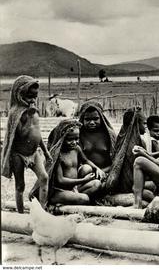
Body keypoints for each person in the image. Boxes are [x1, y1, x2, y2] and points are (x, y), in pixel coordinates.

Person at [1, 75, 52, 213]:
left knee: (44, 178)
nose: (33, 100)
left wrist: (46, 152)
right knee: (20, 185)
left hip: (34, 153)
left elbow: (37, 134)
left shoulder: (33, 111)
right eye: (29, 97)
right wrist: (28, 116)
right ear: (19, 95)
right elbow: (21, 134)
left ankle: (42, 211)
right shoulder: (15, 113)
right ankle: (21, 213)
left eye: (35, 97)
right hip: (18, 154)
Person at [31, 119, 103, 205]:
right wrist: (83, 180)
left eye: (77, 139)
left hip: (73, 187)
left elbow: (86, 160)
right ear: (62, 138)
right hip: (58, 191)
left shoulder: (76, 149)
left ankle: (72, 198)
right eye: (70, 139)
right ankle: (59, 200)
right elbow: (60, 180)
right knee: (85, 199)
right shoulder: (57, 155)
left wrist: (97, 168)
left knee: (97, 184)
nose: (74, 142)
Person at [104, 108, 157, 206]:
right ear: (136, 125)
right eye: (144, 124)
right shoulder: (133, 145)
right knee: (150, 194)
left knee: (150, 194)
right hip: (129, 186)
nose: (146, 127)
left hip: (132, 185)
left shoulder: (123, 137)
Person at [78, 101, 116, 174]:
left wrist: (103, 172)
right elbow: (78, 160)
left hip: (107, 172)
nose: (92, 122)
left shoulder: (109, 135)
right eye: (87, 119)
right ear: (82, 119)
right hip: (86, 173)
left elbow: (116, 161)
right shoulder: (78, 135)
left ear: (101, 118)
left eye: (95, 119)